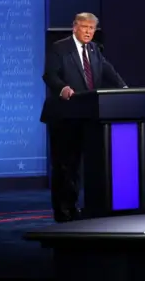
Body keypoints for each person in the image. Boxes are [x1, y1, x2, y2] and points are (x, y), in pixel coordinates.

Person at [41, 12, 127, 222]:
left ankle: (82, 208)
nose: (88, 32)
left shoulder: (95, 50)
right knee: (65, 166)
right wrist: (62, 88)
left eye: (92, 28)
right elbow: (49, 74)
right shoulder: (60, 48)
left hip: (89, 116)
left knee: (83, 166)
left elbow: (108, 71)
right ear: (74, 27)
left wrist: (124, 88)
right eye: (84, 27)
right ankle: (63, 211)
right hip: (64, 116)